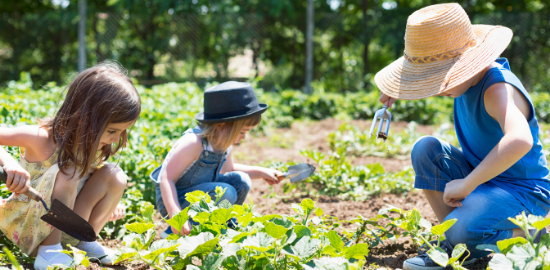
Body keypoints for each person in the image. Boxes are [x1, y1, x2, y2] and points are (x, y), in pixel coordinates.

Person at [374, 3, 550, 270]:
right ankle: (454, 245)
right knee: (426, 148)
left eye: (438, 78)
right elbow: (444, 83)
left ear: (466, 64)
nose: (435, 87)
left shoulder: (496, 87)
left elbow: (520, 140)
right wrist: (404, 88)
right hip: (488, 180)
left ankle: (536, 235)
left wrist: (467, 184)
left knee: (464, 228)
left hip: (524, 193)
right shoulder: (464, 82)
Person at [0, 62, 141, 270]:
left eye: (121, 132)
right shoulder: (41, 138)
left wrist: (109, 203)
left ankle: (84, 242)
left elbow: (90, 183)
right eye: (112, 131)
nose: (116, 139)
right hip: (27, 223)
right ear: (85, 119)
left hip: (65, 224)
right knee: (69, 171)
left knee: (114, 174)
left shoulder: (89, 147)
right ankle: (50, 252)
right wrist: (10, 164)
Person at [150, 81, 284, 238]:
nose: (244, 137)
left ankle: (221, 223)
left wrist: (262, 172)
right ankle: (173, 232)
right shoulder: (194, 143)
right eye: (242, 132)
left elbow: (229, 170)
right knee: (227, 192)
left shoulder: (224, 143)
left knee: (242, 180)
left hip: (202, 195)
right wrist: (176, 216)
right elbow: (166, 179)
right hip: (174, 201)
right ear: (222, 126)